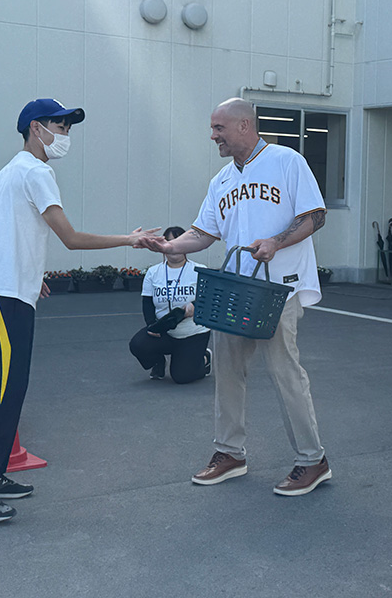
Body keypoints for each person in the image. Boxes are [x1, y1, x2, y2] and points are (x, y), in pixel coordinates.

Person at [0, 98, 158, 523]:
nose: (65, 135)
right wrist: (128, 239)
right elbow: (70, 238)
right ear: (35, 128)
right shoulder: (36, 171)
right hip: (5, 298)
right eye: (59, 125)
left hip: (0, 294)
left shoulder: (9, 172)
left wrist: (28, 274)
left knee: (6, 389)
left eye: (67, 127)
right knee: (3, 392)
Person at [141, 97, 331, 497]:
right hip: (236, 290)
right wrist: (167, 247)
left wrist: (276, 242)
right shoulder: (221, 180)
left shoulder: (286, 161)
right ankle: (230, 454)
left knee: (285, 372)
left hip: (279, 288)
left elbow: (315, 215)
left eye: (218, 129)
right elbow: (203, 233)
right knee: (227, 370)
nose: (213, 136)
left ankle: (313, 460)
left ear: (244, 126)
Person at [129, 225, 211, 383]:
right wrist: (153, 326)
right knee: (138, 344)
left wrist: (195, 306)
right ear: (163, 246)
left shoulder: (200, 270)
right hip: (165, 330)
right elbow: (147, 303)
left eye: (179, 242)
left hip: (192, 333)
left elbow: (209, 300)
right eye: (170, 242)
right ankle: (158, 361)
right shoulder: (153, 273)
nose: (174, 247)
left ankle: (204, 358)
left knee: (182, 377)